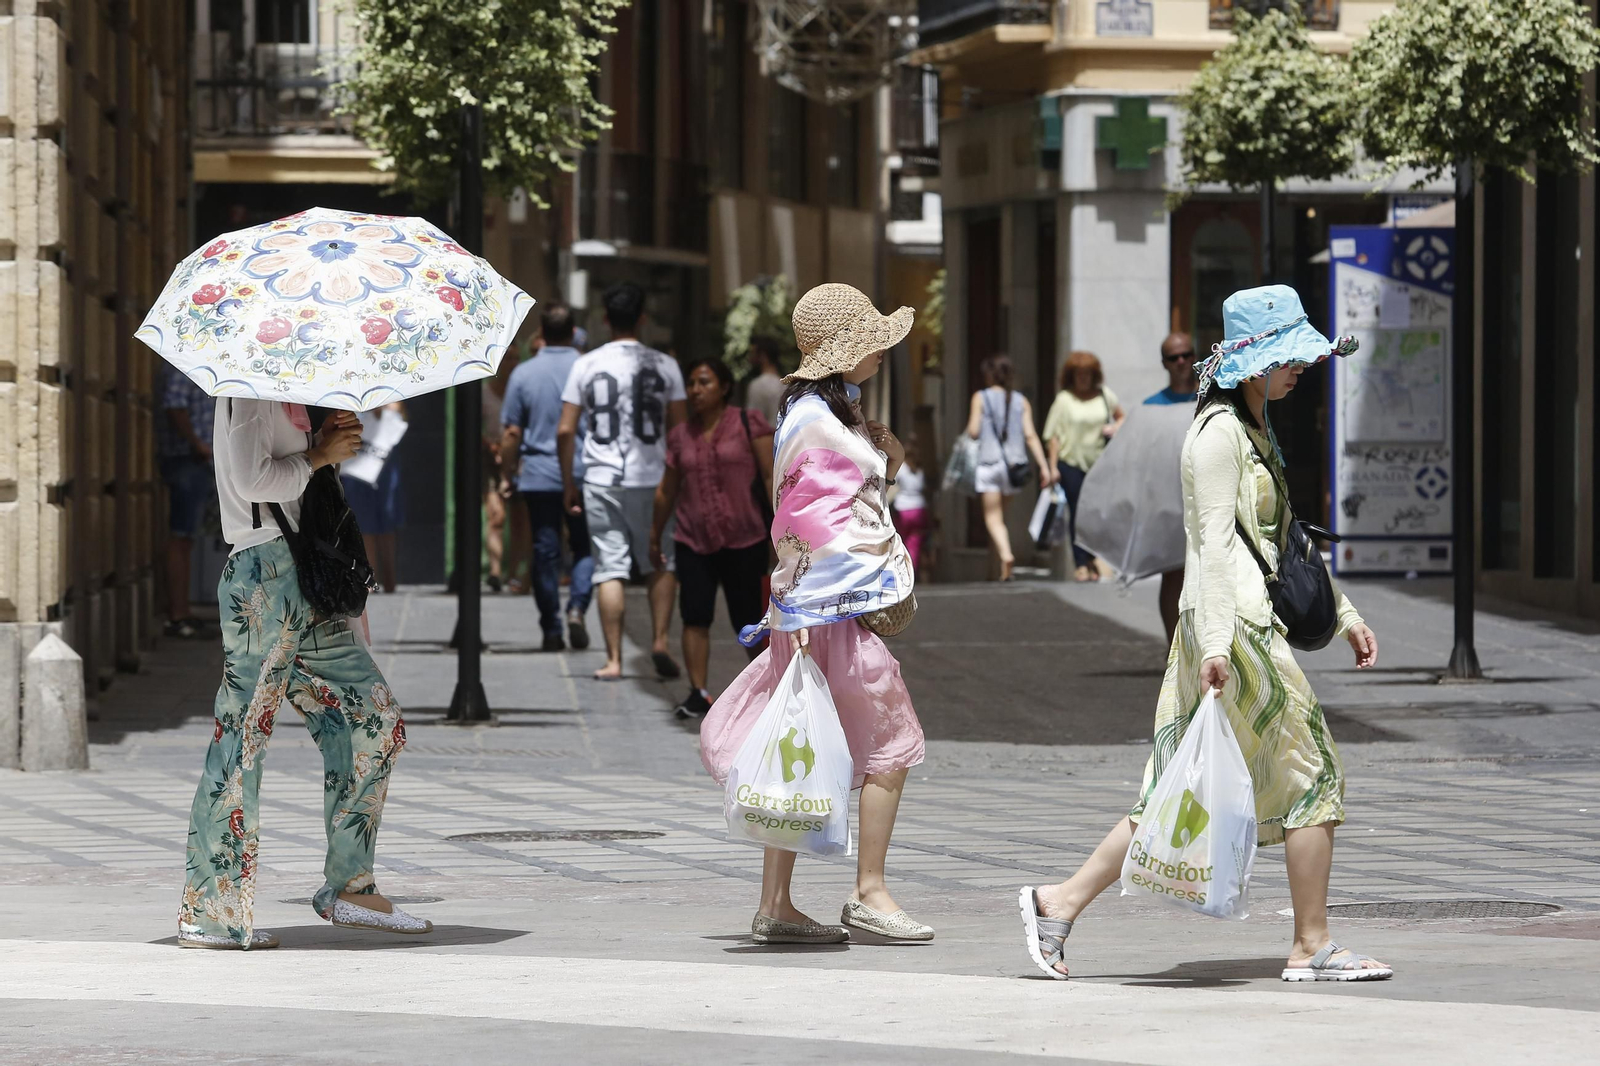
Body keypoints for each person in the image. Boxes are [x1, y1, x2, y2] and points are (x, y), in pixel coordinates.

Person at [1018, 285, 1387, 983]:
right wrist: (1217, 645)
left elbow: (1279, 539)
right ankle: (1311, 946)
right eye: (1288, 357)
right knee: (1315, 775)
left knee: (1175, 791)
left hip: (1228, 624)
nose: (1299, 368)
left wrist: (1344, 614)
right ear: (1252, 363)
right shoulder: (1217, 435)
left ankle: (1056, 903)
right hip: (1233, 626)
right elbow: (1213, 546)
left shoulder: (1253, 426)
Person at [701, 283, 930, 946]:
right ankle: (870, 891)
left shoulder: (816, 411)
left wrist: (883, 456)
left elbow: (821, 506)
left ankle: (778, 903)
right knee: (890, 746)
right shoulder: (817, 419)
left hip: (804, 612)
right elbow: (812, 520)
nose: (882, 352)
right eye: (872, 342)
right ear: (843, 352)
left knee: (798, 750)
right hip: (824, 613)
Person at [179, 398, 431, 950]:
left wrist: (328, 441)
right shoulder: (248, 387)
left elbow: (307, 497)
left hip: (313, 577)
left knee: (374, 721)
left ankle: (352, 888)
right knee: (243, 736)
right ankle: (212, 911)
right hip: (263, 574)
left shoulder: (300, 395)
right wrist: (319, 455)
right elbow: (251, 480)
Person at [558, 282, 687, 681]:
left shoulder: (586, 364)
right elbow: (680, 429)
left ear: (605, 319)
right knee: (661, 562)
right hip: (654, 477)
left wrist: (569, 483)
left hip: (602, 477)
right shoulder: (666, 365)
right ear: (643, 319)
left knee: (609, 567)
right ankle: (661, 641)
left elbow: (566, 429)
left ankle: (614, 659)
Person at [650, 358, 775, 719]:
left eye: (704, 382)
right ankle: (698, 692)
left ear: (723, 387)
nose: (695, 390)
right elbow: (667, 490)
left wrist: (780, 529)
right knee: (694, 616)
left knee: (749, 619)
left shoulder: (748, 424)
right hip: (693, 539)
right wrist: (655, 535)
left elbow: (771, 478)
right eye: (691, 383)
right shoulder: (680, 435)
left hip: (745, 537)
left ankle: (772, 687)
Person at [501, 304, 594, 652]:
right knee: (585, 546)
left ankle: (552, 628)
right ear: (573, 333)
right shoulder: (587, 369)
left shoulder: (524, 374)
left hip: (538, 476)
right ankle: (577, 607)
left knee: (545, 552)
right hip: (584, 474)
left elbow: (511, 433)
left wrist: (508, 474)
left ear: (540, 333)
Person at [966, 355, 1051, 582]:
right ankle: (998, 571)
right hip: (1013, 468)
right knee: (1000, 519)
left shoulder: (980, 397)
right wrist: (1044, 467)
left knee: (993, 519)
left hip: (989, 463)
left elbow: (973, 431)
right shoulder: (1021, 401)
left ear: (989, 375)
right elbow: (1031, 435)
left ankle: (1006, 556)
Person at [1043, 350, 1125, 581]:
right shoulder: (1064, 400)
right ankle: (1081, 563)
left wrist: (1114, 428)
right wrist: (1052, 467)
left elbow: (1122, 417)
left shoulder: (1104, 396)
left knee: (1097, 513)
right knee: (1079, 513)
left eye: (1087, 374)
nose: (1083, 378)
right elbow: (1053, 436)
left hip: (1098, 463)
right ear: (1071, 376)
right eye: (1079, 374)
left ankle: (1092, 558)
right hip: (1070, 463)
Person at [1144, 332, 1199, 643]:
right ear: (1164, 363)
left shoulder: (1211, 398)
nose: (1181, 362)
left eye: (1186, 355)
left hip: (1207, 500)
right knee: (1173, 574)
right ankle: (1172, 647)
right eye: (1173, 357)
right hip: (1168, 503)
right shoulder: (1152, 407)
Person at [157, 368, 218, 638]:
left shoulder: (202, 365)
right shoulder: (184, 366)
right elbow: (174, 406)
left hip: (199, 461)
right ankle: (178, 615)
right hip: (188, 460)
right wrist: (197, 445)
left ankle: (182, 613)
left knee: (187, 538)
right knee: (181, 537)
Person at [341, 401, 407, 594]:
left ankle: (390, 580)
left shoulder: (391, 396)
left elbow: (400, 417)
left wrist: (383, 407)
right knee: (363, 525)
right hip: (357, 470)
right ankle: (371, 579)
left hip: (384, 468)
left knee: (387, 524)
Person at [484, 345, 531, 594]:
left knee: (520, 520)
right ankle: (494, 571)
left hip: (520, 460)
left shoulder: (524, 388)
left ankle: (513, 573)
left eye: (516, 358)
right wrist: (491, 446)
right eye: (507, 359)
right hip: (492, 460)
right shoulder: (485, 393)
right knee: (496, 516)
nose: (512, 363)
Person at [890, 434, 929, 573]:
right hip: (919, 508)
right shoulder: (920, 468)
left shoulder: (902, 467)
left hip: (903, 509)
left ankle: (901, 571)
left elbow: (892, 480)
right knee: (915, 544)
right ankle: (912, 570)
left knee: (901, 542)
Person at [744, 335, 785, 429]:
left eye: (753, 353)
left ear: (763, 356)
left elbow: (753, 422)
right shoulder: (786, 385)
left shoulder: (757, 385)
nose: (750, 358)